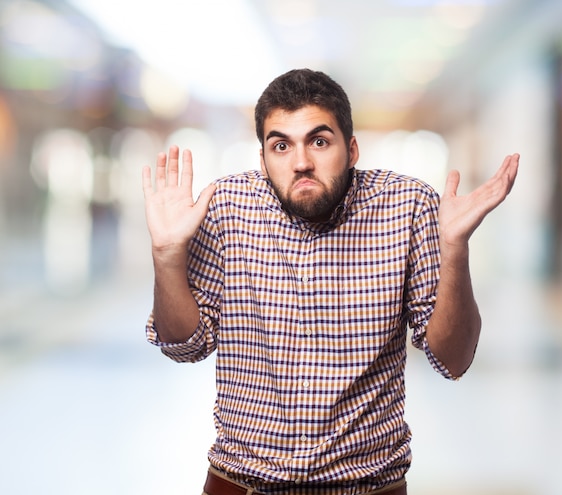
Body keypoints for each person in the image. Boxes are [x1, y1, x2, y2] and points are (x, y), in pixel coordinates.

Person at [142, 68, 519, 495]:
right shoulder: (226, 208)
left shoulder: (408, 207)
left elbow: (453, 358)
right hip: (241, 484)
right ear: (263, 159)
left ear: (352, 148)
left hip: (369, 487)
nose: (301, 162)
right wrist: (167, 256)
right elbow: (184, 345)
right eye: (281, 145)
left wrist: (455, 249)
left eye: (319, 141)